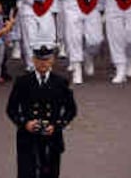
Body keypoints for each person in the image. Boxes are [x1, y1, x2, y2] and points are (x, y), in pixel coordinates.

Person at [5, 44, 77, 178]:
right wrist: (25, 123)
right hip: (28, 136)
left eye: (46, 60)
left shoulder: (61, 82)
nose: (43, 63)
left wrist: (57, 126)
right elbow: (11, 108)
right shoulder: (23, 82)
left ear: (52, 61)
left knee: (50, 172)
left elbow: (71, 110)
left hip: (52, 136)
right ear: (33, 60)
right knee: (27, 173)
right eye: (39, 60)